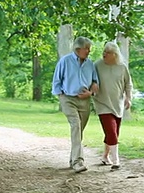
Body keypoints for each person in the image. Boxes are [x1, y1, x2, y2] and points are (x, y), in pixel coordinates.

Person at [52, 37, 99, 173]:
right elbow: (56, 80)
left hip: (85, 101)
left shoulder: (90, 64)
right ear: (78, 49)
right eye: (87, 48)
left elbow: (95, 82)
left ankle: (73, 159)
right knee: (76, 126)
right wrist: (61, 96)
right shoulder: (65, 61)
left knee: (79, 130)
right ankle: (78, 161)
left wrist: (90, 93)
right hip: (68, 98)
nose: (89, 51)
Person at [93, 41, 132, 170]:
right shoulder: (97, 65)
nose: (104, 54)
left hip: (117, 104)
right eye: (104, 51)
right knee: (111, 131)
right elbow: (90, 79)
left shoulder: (122, 67)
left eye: (108, 53)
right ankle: (116, 161)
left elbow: (128, 84)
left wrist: (128, 98)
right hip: (102, 103)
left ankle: (105, 156)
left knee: (113, 133)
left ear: (115, 55)